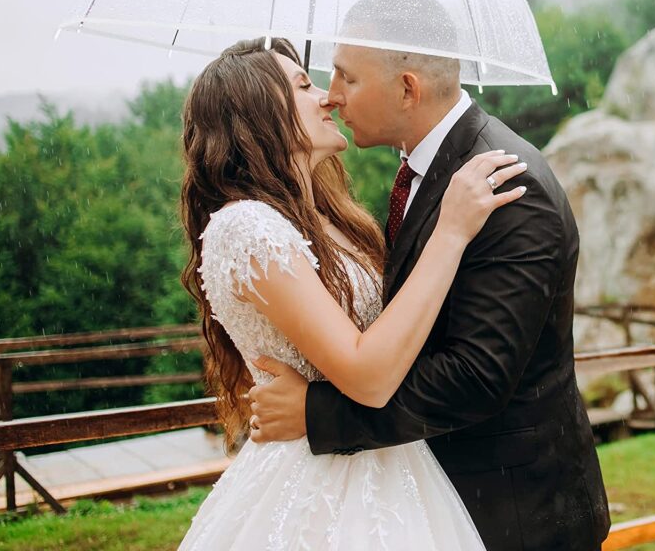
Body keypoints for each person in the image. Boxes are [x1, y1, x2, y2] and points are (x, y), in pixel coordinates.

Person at [247, 0, 611, 551]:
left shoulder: (508, 188)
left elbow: (476, 377)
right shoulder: (422, 170)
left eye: (347, 78)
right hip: (436, 500)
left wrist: (317, 414)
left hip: (516, 512)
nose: (333, 96)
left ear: (407, 89)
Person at [177, 35, 526, 550]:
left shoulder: (330, 216)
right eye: (303, 84)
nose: (328, 97)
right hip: (313, 482)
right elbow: (367, 375)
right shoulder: (247, 226)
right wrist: (450, 231)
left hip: (390, 460)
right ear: (256, 113)